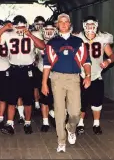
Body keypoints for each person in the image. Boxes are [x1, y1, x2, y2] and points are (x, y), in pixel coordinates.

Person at [41, 13, 91, 152]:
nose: (63, 24)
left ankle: (71, 128)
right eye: (60, 22)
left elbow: (86, 61)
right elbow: (46, 65)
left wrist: (87, 75)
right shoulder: (52, 43)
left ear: (70, 24)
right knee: (59, 112)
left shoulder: (78, 42)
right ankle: (61, 141)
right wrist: (44, 82)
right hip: (57, 78)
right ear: (57, 25)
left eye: (66, 22)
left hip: (74, 78)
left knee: (75, 111)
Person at [0, 15, 45, 135]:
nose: (20, 29)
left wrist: (30, 34)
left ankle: (27, 122)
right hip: (14, 69)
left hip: (28, 69)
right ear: (14, 26)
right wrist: (4, 28)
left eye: (22, 26)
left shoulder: (32, 34)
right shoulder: (9, 34)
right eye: (18, 26)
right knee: (12, 98)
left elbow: (42, 46)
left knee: (28, 99)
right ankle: (10, 124)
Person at [74, 16, 114, 135]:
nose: (90, 28)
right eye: (88, 26)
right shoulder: (78, 38)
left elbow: (112, 55)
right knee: (81, 101)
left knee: (97, 102)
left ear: (96, 26)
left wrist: (108, 61)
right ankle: (80, 123)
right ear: (84, 26)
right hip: (81, 74)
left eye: (92, 26)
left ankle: (96, 124)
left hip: (97, 74)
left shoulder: (102, 38)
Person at [36, 21, 57, 132]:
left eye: (51, 31)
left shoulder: (60, 42)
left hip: (57, 74)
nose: (49, 33)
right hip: (42, 72)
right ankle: (45, 122)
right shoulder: (38, 42)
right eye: (47, 31)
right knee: (44, 99)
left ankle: (54, 114)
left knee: (58, 98)